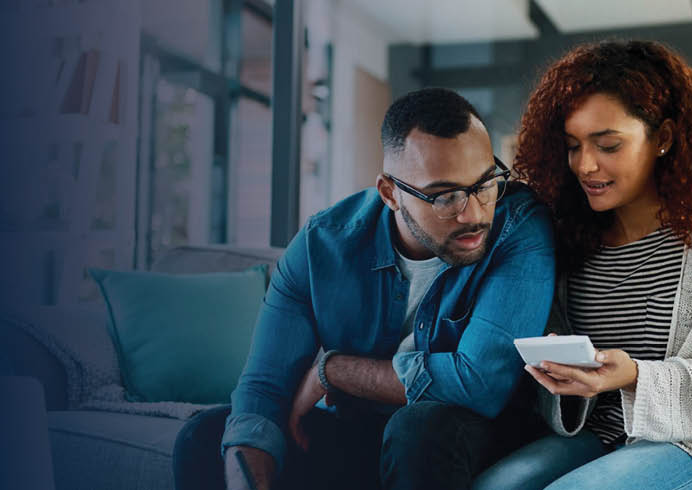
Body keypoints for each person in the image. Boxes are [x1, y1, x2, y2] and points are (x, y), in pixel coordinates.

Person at [172, 88, 555, 490]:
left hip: (464, 435)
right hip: (362, 433)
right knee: (206, 438)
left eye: (485, 183)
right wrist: (248, 475)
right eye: (445, 196)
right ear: (390, 193)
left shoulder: (519, 226)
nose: (475, 213)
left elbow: (480, 382)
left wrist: (335, 370)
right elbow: (264, 386)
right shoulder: (322, 245)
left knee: (419, 428)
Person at [474, 40, 692, 490]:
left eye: (608, 144)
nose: (586, 165)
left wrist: (635, 376)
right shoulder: (568, 236)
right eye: (573, 146)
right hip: (599, 436)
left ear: (665, 138)